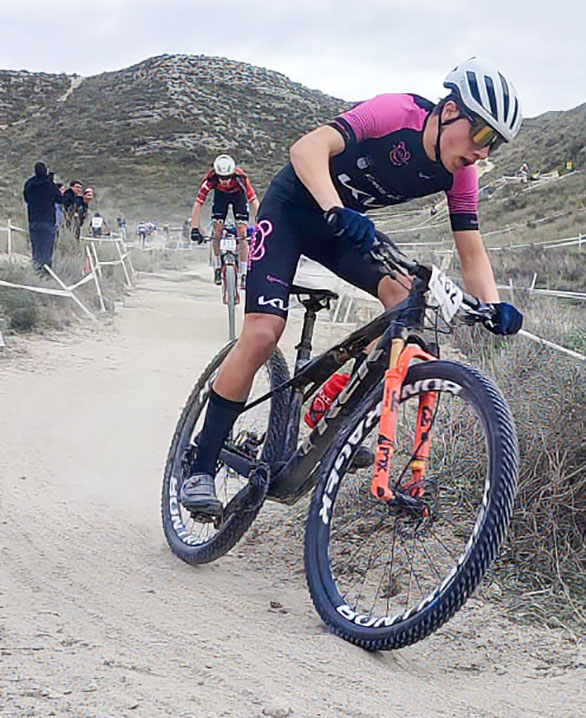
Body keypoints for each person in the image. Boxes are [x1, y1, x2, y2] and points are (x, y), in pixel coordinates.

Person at [179, 57, 525, 517]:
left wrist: (494, 306)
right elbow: (306, 149)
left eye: (495, 145)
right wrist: (334, 207)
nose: (484, 152)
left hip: (341, 226)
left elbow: (471, 249)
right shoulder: (396, 113)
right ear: (449, 112)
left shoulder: (462, 173)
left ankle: (331, 405)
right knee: (263, 333)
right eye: (482, 135)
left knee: (406, 300)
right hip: (293, 210)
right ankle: (200, 466)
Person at [190, 154, 259, 290]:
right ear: (217, 174)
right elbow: (198, 203)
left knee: (242, 233)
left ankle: (244, 273)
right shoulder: (210, 179)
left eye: (228, 177)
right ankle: (217, 267)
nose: (225, 181)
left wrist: (262, 223)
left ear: (232, 174)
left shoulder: (241, 179)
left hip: (239, 197)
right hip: (220, 197)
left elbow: (254, 201)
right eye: (222, 178)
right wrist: (194, 228)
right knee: (217, 231)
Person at [22, 162, 62, 275]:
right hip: (48, 220)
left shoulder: (29, 184)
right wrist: (51, 182)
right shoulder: (49, 185)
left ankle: (36, 271)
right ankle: (45, 274)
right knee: (47, 249)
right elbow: (59, 199)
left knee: (36, 248)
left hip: (33, 220)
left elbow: (26, 198)